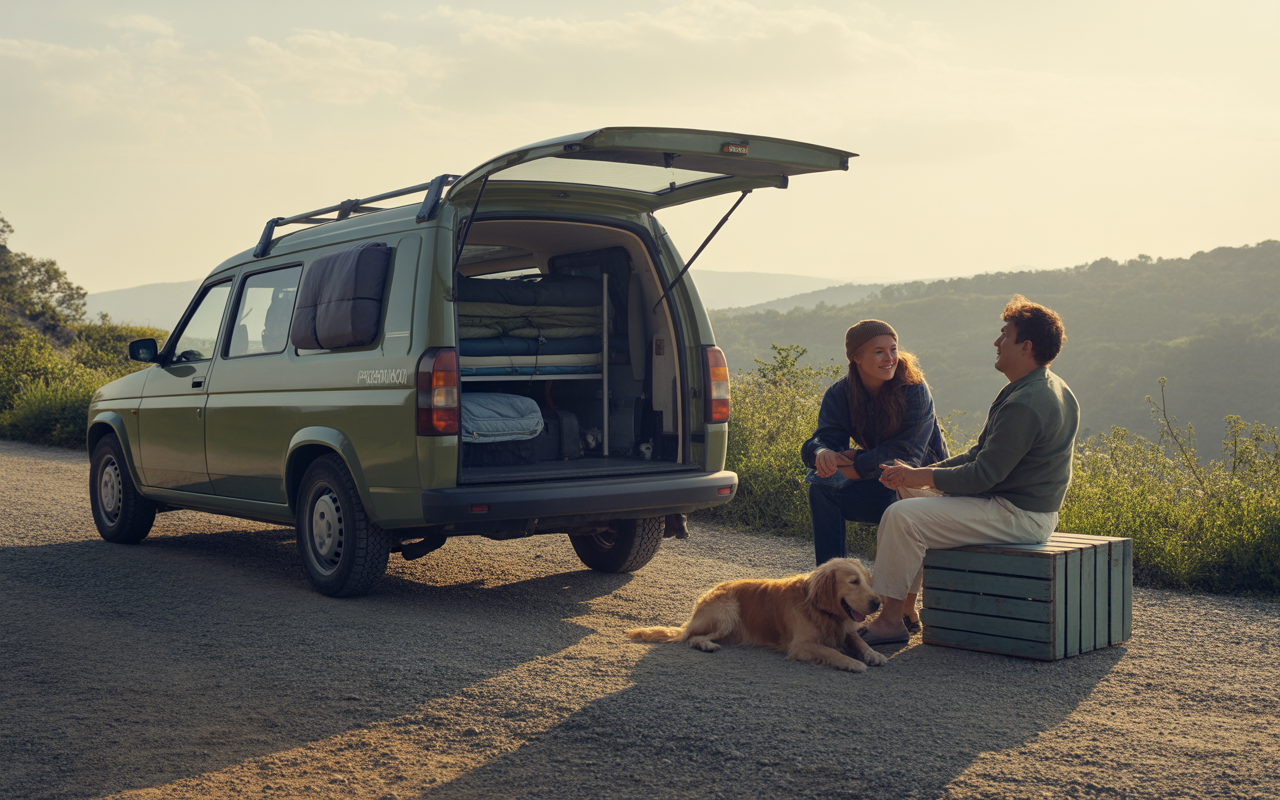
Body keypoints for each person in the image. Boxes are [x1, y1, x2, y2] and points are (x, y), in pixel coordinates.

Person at [861, 295, 1079, 646]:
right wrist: (918, 474)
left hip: (1018, 515)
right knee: (908, 491)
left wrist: (923, 475)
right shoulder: (1041, 386)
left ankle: (888, 621)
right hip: (1009, 504)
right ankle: (904, 608)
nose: (997, 342)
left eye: (1004, 335)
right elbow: (980, 454)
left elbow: (982, 476)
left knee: (902, 516)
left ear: (1025, 347)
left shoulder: (1026, 402)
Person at [801, 320, 949, 593]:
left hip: (923, 492)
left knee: (892, 488)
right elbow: (822, 438)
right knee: (821, 489)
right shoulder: (840, 393)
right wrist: (822, 453)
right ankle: (831, 587)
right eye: (879, 352)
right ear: (857, 357)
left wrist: (855, 463)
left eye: (893, 349)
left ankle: (895, 602)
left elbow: (907, 456)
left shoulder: (914, 389)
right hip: (883, 483)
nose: (890, 358)